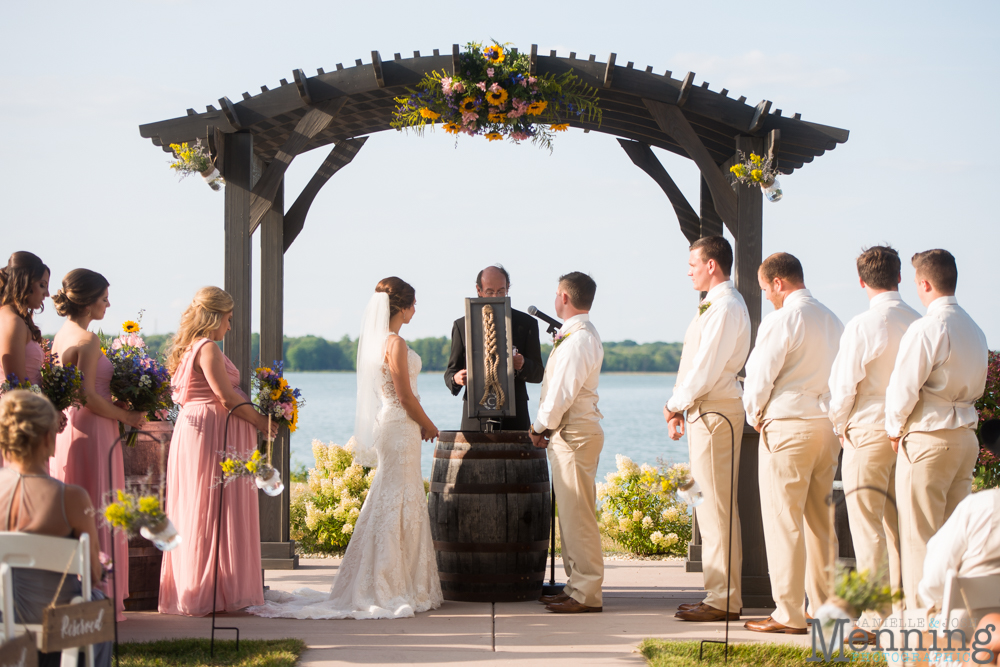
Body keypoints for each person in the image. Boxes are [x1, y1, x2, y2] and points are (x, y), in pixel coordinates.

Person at [249, 277, 443, 619]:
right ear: (403, 306)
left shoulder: (378, 342)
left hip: (394, 425)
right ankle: (390, 583)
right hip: (400, 425)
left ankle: (391, 579)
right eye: (414, 303)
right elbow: (404, 396)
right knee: (400, 497)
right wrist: (428, 423)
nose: (416, 309)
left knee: (393, 495)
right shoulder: (394, 344)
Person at [158, 287, 277, 616]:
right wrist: (261, 421)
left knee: (201, 506)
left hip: (199, 429)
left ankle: (212, 587)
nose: (230, 325)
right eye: (228, 318)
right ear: (214, 317)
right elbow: (224, 397)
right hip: (211, 433)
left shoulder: (190, 348)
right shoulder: (207, 347)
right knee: (209, 507)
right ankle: (207, 592)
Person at [742, 252, 844, 634]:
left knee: (784, 521)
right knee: (821, 523)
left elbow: (759, 376)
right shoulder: (834, 319)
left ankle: (788, 612)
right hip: (825, 427)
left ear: (779, 283)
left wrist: (756, 417)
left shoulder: (782, 319)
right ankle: (824, 608)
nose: (767, 295)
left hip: (788, 425)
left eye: (766, 287)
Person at [885, 249, 987, 611]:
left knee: (919, 538)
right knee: (952, 540)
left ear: (924, 283)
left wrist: (894, 429)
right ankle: (951, 622)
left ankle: (922, 626)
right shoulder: (975, 328)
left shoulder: (928, 326)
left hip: (930, 434)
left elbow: (903, 388)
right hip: (965, 438)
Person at [826, 245, 919, 637]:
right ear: (899, 276)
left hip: (866, 427)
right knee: (903, 527)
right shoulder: (918, 321)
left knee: (868, 527)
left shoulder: (863, 325)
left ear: (861, 281)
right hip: (910, 430)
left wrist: (838, 425)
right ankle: (904, 611)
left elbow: (844, 385)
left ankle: (875, 617)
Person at [50, 269, 145, 621]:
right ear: (89, 301)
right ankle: (100, 597)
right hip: (94, 429)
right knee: (101, 508)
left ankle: (78, 594)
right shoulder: (88, 340)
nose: (108, 303)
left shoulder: (62, 334)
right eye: (105, 297)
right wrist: (129, 418)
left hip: (71, 430)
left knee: (80, 508)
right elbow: (88, 395)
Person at [665, 236, 750, 623]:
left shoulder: (726, 306)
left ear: (712, 264)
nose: (689, 270)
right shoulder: (714, 305)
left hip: (715, 412)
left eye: (693, 263)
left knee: (715, 507)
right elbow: (695, 364)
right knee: (707, 505)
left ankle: (724, 599)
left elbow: (707, 367)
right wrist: (682, 405)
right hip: (704, 409)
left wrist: (674, 403)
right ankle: (717, 593)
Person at [0, 390, 112, 667]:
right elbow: (92, 574)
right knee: (97, 603)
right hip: (59, 628)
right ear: (48, 438)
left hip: (3, 623)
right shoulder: (71, 498)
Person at [531, 272, 604, 614]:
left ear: (563, 296)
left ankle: (587, 592)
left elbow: (562, 393)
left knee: (579, 515)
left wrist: (539, 426)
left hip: (574, 433)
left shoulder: (578, 339)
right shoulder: (578, 335)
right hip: (570, 431)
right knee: (571, 516)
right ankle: (576, 586)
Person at [444, 265, 544, 430]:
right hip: (474, 416)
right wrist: (455, 379)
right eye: (490, 291)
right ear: (479, 290)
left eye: (501, 291)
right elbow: (450, 372)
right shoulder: (462, 325)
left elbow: (539, 373)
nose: (496, 296)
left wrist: (523, 364)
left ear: (508, 288)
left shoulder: (527, 324)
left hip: (515, 416)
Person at [0, 252, 53, 463]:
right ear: (25, 283)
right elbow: (17, 382)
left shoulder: (14, 318)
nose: (47, 293)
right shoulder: (12, 321)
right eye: (42, 285)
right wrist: (45, 414)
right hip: (18, 420)